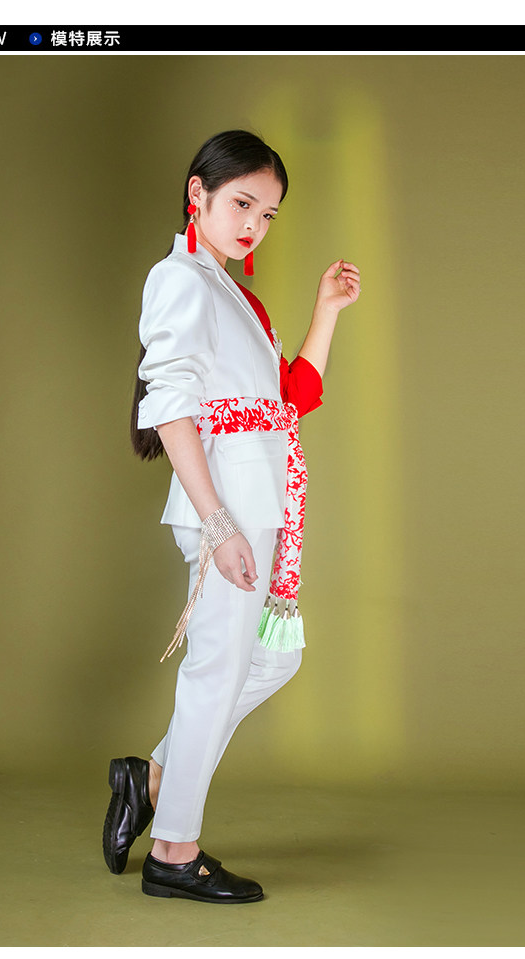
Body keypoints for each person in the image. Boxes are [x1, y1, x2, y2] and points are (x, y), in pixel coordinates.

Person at [103, 130, 360, 904]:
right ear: (199, 194)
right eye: (242, 203)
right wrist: (217, 523)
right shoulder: (179, 277)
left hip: (261, 495)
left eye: (268, 214)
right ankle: (174, 852)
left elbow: (289, 398)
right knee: (217, 671)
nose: (253, 224)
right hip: (227, 501)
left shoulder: (231, 292)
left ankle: (151, 776)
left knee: (270, 660)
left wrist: (326, 309)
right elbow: (169, 401)